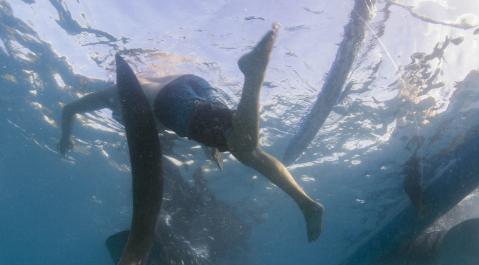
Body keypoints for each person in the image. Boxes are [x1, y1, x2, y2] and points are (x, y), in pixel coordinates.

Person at [59, 25, 323, 242]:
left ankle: (253, 74)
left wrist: (65, 137)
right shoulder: (148, 80)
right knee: (246, 149)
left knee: (243, 145)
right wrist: (211, 145)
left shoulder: (115, 92)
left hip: (168, 100)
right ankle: (305, 202)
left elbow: (70, 109)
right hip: (193, 83)